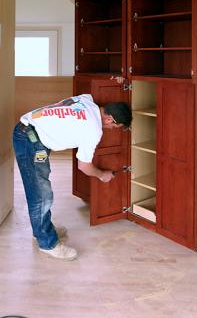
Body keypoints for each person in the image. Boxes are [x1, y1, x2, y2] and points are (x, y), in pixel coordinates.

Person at [13, 94, 132, 261]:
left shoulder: (87, 100)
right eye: (115, 127)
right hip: (30, 140)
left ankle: (41, 230)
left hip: (30, 131)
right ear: (109, 119)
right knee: (41, 194)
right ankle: (47, 244)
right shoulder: (93, 130)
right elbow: (84, 166)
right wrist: (101, 175)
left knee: (41, 188)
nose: (111, 130)